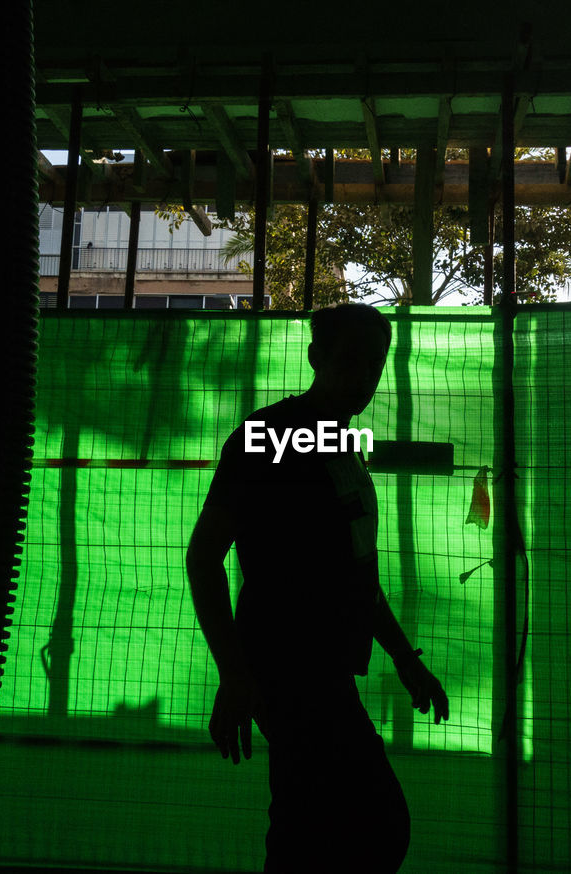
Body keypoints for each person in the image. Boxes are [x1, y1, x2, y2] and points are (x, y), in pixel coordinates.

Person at [186, 302, 449, 873]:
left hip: (316, 671)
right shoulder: (268, 439)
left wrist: (405, 658)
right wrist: (234, 672)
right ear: (315, 358)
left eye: (374, 366)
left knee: (316, 824)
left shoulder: (339, 448)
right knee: (369, 823)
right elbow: (204, 557)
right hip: (288, 670)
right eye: (351, 361)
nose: (365, 378)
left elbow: (356, 574)